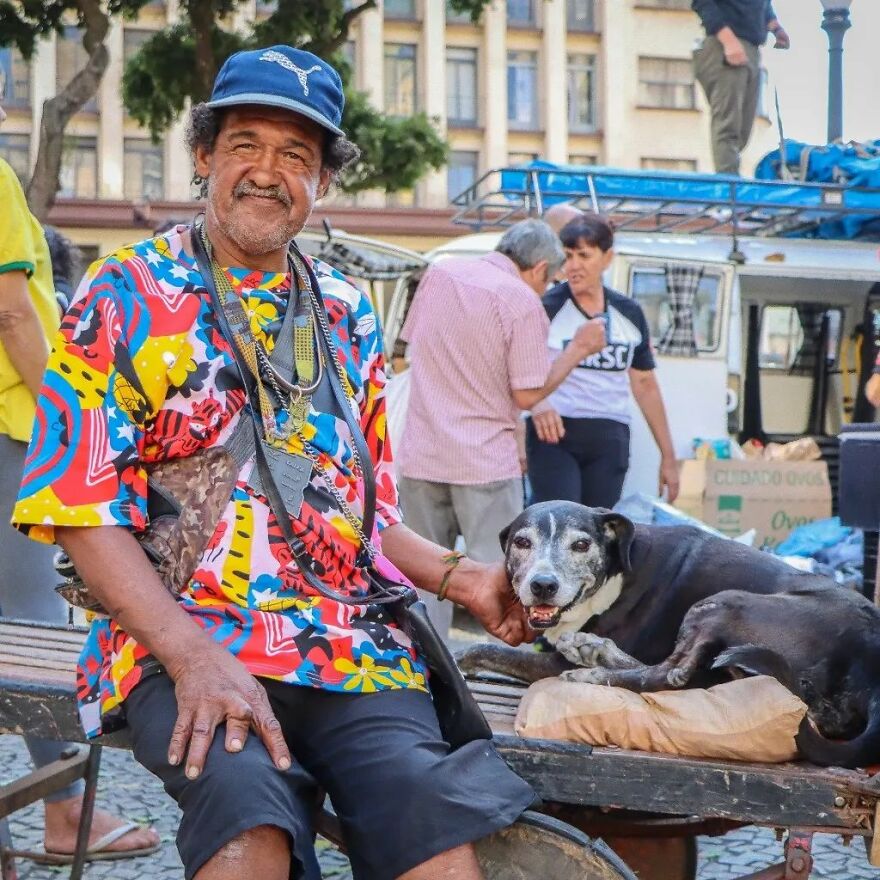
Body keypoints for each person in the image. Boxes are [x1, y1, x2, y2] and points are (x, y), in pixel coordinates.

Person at [12, 45, 538, 880]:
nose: (267, 172)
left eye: (295, 153)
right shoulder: (123, 295)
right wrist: (191, 657)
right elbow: (81, 510)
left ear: (322, 179)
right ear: (203, 158)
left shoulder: (345, 310)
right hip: (177, 640)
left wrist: (460, 578)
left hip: (348, 644)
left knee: (433, 831)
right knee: (251, 830)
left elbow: (358, 512)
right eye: (245, 145)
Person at [0, 107, 159, 862]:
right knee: (31, 623)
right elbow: (9, 311)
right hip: (8, 423)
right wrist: (67, 421)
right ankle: (66, 813)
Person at [396, 220, 607, 632]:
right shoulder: (522, 301)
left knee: (425, 576)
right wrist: (578, 350)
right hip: (483, 461)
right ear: (540, 267)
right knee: (507, 580)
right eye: (551, 280)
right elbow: (528, 395)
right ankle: (496, 677)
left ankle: (422, 669)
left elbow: (413, 347)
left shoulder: (440, 274)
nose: (547, 289)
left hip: (421, 453)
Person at [527, 213, 679, 509]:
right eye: (567, 256)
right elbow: (517, 368)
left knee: (597, 528)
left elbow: (645, 384)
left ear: (607, 258)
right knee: (561, 519)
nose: (574, 266)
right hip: (555, 431)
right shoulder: (546, 308)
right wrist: (537, 404)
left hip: (609, 433)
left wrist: (669, 457)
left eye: (584, 255)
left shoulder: (628, 312)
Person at [692, 0, 790, 175]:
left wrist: (775, 27)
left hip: (751, 48)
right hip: (724, 45)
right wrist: (728, 40)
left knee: (742, 132)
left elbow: (762, 5)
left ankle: (731, 182)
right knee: (728, 126)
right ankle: (728, 188)